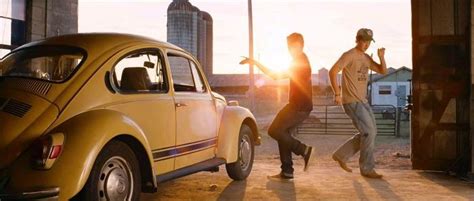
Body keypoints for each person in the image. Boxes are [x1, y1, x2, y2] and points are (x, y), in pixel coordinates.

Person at [240, 33, 315, 181]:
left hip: (299, 107)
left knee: (274, 130)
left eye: (292, 47)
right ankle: (287, 171)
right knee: (282, 133)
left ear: (300, 45)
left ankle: (305, 150)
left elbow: (275, 75)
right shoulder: (298, 61)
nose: (289, 50)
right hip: (298, 105)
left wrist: (256, 63)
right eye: (288, 47)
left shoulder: (301, 62)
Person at [329, 28, 387, 178]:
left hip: (363, 101)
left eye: (368, 42)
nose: (366, 44)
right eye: (363, 41)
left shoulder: (366, 58)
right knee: (369, 132)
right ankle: (367, 169)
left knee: (370, 133)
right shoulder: (349, 55)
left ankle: (341, 155)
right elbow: (333, 71)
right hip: (352, 101)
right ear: (358, 40)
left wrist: (382, 57)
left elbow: (383, 71)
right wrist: (337, 93)